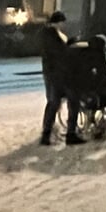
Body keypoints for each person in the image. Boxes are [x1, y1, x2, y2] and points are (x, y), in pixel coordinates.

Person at [39, 10, 70, 145]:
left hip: (52, 72)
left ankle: (47, 130)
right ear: (58, 22)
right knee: (54, 102)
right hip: (54, 73)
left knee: (53, 101)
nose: (63, 25)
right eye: (62, 22)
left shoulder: (50, 34)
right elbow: (58, 53)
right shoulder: (52, 35)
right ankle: (46, 133)